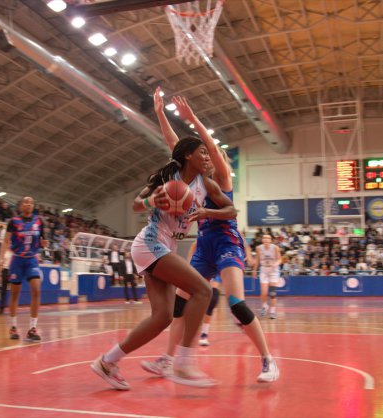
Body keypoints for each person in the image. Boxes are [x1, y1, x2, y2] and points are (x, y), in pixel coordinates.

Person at [141, 90, 278, 384]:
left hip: (227, 243)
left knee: (236, 305)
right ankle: (167, 360)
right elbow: (175, 145)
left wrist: (192, 118)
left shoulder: (223, 178)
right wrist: (161, 114)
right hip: (204, 245)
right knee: (179, 305)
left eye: (210, 154)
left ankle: (268, 361)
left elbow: (212, 149)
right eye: (201, 155)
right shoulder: (196, 179)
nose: (206, 157)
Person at [91, 136, 235, 390]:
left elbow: (231, 210)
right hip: (149, 243)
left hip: (164, 247)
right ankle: (183, 362)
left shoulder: (207, 185)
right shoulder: (168, 178)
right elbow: (136, 204)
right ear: (188, 155)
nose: (207, 157)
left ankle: (107, 361)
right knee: (202, 290)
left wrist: (206, 212)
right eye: (202, 152)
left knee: (163, 317)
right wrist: (150, 201)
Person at [0, 197, 48, 341]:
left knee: (36, 290)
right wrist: (1, 258)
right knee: (14, 295)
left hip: (32, 260)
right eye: (26, 202)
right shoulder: (13, 222)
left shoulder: (39, 222)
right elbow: (6, 241)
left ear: (33, 206)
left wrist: (44, 243)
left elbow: (43, 242)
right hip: (17, 260)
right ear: (21, 205)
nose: (28, 204)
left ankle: (32, 329)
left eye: (31, 202)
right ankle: (13, 327)